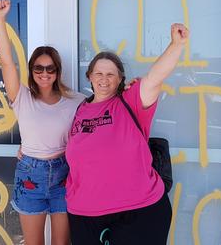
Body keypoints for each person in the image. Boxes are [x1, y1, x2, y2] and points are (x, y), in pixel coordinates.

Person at [66, 23, 189, 245]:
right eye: (99, 73)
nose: (104, 79)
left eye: (111, 74)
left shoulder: (130, 102)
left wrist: (176, 45)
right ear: (90, 77)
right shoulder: (80, 109)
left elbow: (155, 78)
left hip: (138, 211)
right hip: (84, 214)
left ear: (120, 78)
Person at [0, 0, 85, 245]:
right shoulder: (22, 97)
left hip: (64, 174)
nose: (44, 73)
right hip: (30, 174)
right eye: (38, 68)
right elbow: (6, 62)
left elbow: (97, 125)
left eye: (50, 68)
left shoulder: (77, 101)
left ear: (58, 71)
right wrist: (0, 20)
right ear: (31, 70)